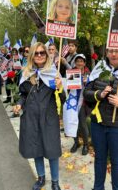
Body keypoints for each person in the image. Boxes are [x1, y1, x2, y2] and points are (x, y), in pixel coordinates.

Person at [83, 49, 118, 190]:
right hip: (99, 124)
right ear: (107, 53)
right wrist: (99, 94)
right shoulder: (99, 68)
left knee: (116, 161)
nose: (114, 54)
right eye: (111, 51)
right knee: (100, 159)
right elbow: (86, 93)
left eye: (117, 51)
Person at [13, 42, 66, 190]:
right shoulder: (26, 73)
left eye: (42, 52)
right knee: (36, 149)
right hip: (30, 117)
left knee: (52, 150)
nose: (39, 55)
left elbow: (64, 99)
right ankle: (41, 178)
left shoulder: (54, 73)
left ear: (47, 55)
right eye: (36, 53)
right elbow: (22, 94)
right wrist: (19, 104)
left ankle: (55, 181)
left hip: (49, 118)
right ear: (31, 55)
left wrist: (60, 87)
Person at [66, 54, 91, 156]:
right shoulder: (72, 72)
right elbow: (68, 89)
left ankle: (86, 144)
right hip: (73, 102)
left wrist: (87, 82)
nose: (79, 63)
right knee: (72, 122)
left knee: (82, 124)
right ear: (75, 63)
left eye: (81, 61)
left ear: (84, 63)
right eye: (78, 61)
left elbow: (91, 89)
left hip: (83, 103)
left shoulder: (88, 74)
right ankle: (76, 142)